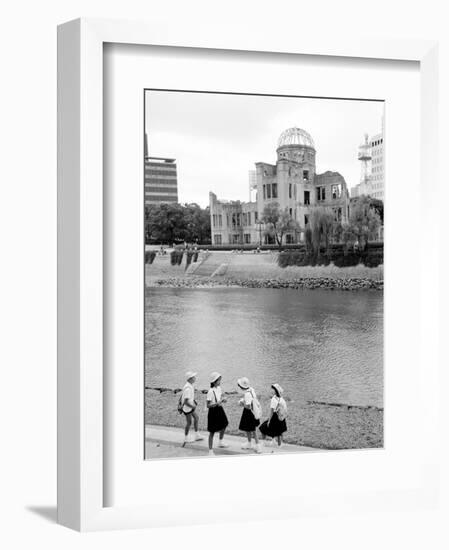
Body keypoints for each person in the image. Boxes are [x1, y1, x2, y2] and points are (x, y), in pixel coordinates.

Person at [206, 372, 229, 456]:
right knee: (212, 431)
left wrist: (223, 400)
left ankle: (220, 441)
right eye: (219, 380)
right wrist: (217, 402)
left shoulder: (219, 388)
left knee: (225, 424)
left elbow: (220, 398)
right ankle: (210, 451)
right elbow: (208, 405)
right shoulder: (210, 392)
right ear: (214, 381)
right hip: (213, 411)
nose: (220, 381)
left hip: (219, 409)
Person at [237, 377, 262, 453]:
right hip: (254, 411)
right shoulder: (251, 389)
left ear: (241, 386)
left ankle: (255, 445)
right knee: (251, 429)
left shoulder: (247, 394)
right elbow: (252, 400)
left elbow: (248, 406)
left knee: (251, 429)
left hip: (249, 413)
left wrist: (242, 404)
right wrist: (243, 400)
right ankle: (251, 443)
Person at [259, 383, 287, 449]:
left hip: (275, 417)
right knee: (278, 431)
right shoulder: (282, 399)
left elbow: (271, 411)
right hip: (281, 417)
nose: (272, 391)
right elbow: (285, 409)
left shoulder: (273, 399)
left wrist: (269, 420)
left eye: (273, 390)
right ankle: (279, 444)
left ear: (275, 391)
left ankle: (263, 443)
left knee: (263, 428)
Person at [180, 371, 204, 446]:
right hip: (188, 408)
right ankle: (186, 438)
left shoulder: (190, 385)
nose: (195, 378)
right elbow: (186, 401)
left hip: (190, 406)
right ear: (190, 379)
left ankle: (197, 435)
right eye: (194, 377)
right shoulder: (188, 388)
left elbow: (188, 398)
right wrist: (193, 406)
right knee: (189, 422)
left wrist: (193, 402)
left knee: (196, 418)